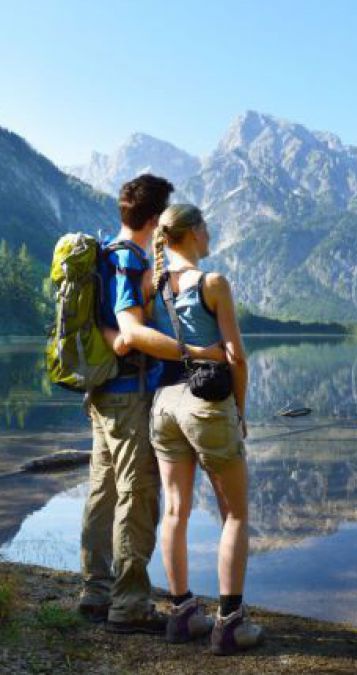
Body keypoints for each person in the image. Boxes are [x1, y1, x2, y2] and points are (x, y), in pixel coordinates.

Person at [79, 175, 223, 634]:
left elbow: (111, 331)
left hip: (102, 393)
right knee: (138, 496)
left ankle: (95, 591)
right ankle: (130, 604)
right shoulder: (126, 259)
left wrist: (117, 336)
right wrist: (194, 353)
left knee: (102, 492)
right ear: (157, 218)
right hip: (127, 396)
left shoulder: (104, 251)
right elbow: (131, 333)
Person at [143, 203, 261, 655]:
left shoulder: (153, 286)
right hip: (207, 405)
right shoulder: (212, 283)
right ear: (193, 233)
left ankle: (181, 613)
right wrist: (241, 411)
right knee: (235, 513)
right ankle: (229, 623)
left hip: (165, 405)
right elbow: (237, 357)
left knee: (175, 510)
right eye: (207, 228)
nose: (211, 234)